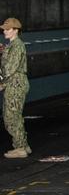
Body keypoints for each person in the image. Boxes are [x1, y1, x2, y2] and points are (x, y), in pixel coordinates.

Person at [1, 18, 30, 159]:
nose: (4, 32)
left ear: (16, 30)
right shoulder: (12, 45)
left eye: (8, 29)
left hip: (15, 84)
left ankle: (20, 148)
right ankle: (23, 145)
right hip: (13, 83)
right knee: (14, 115)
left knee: (11, 117)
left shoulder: (17, 46)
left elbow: (9, 68)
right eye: (4, 29)